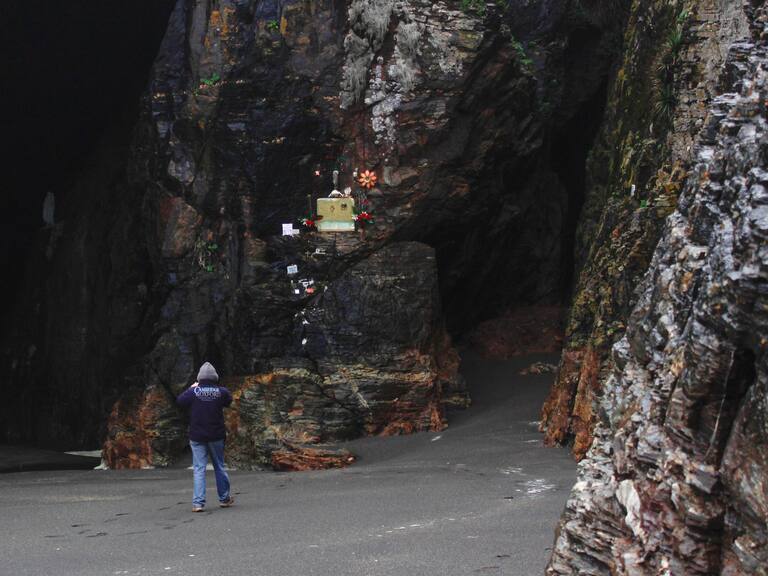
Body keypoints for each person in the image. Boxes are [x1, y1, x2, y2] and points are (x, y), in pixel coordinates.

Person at [176, 362, 234, 512]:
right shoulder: (221, 392)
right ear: (215, 377)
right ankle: (224, 498)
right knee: (219, 467)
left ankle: (198, 503)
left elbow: (180, 401)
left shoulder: (193, 392)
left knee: (199, 469)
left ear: (199, 378)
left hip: (197, 436)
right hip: (216, 435)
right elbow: (229, 401)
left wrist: (191, 388)